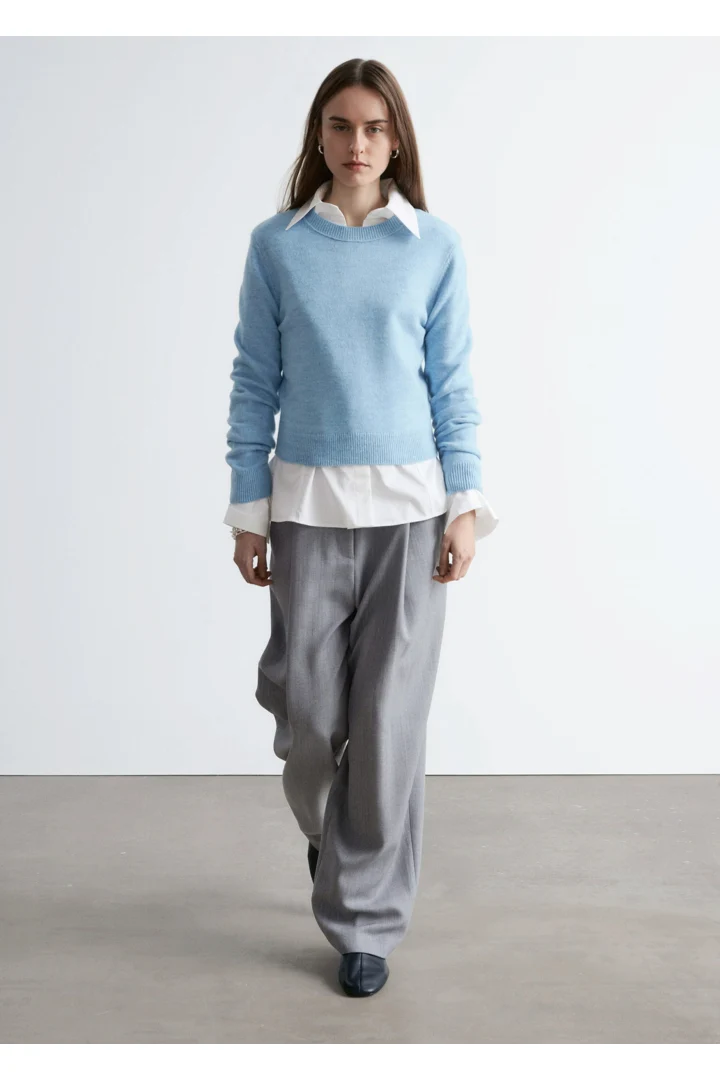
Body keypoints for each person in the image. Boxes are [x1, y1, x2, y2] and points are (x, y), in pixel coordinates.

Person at [224, 58, 499, 998]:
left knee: (387, 727)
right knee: (309, 715)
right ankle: (327, 834)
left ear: (397, 140)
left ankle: (365, 922)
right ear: (319, 136)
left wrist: (465, 506)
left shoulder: (434, 246)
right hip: (305, 511)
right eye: (341, 126)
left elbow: (453, 385)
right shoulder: (277, 247)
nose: (358, 144)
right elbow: (253, 383)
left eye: (376, 128)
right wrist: (248, 511)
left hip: (412, 518)